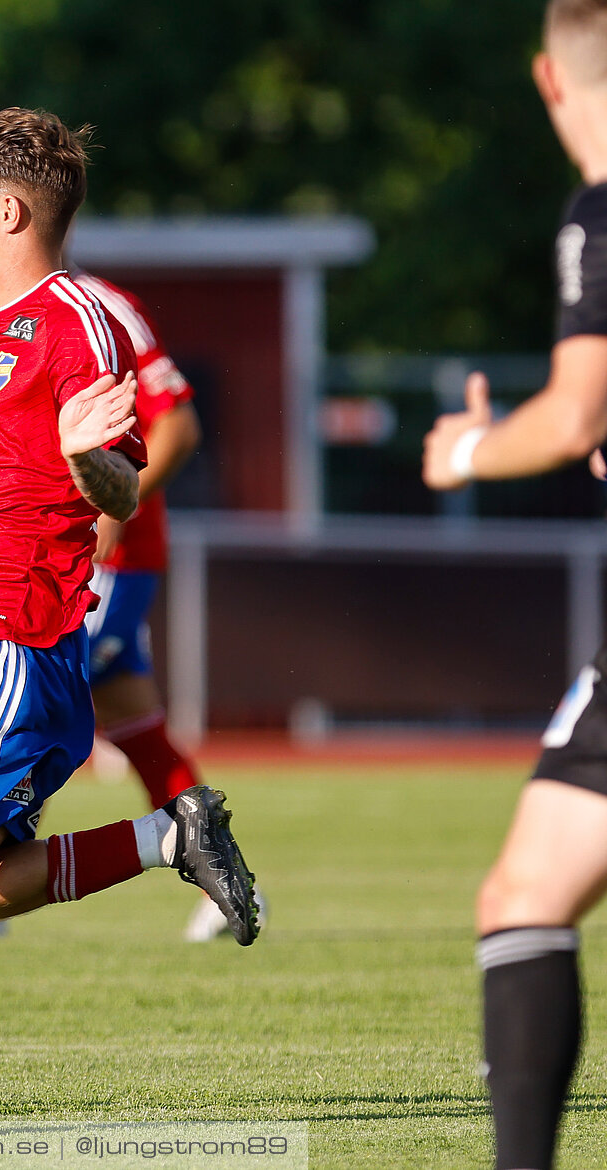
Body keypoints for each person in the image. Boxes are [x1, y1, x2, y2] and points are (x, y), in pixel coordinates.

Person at [0, 107, 259, 1135]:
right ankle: (166, 833)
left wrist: (95, 460)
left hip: (12, 643)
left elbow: (119, 489)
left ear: (7, 208)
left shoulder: (75, 319)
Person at [421, 3, 607, 1165]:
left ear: (547, 76)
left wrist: (471, 453)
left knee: (524, 897)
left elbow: (576, 410)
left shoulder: (598, 211)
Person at [70, 272, 265, 941]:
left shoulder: (102, 306)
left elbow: (177, 425)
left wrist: (114, 499)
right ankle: (223, 871)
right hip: (47, 558)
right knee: (133, 723)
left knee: (26, 699)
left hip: (105, 560)